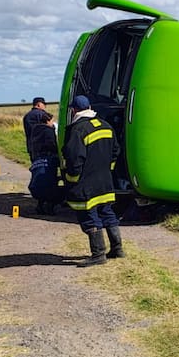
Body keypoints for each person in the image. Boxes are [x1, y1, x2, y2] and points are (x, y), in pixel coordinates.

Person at [62, 94, 124, 265]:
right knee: (107, 212)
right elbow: (115, 151)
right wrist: (107, 170)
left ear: (74, 110)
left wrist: (71, 179)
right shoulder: (105, 125)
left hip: (86, 184)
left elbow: (74, 158)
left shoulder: (78, 129)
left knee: (89, 216)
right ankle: (117, 249)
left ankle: (98, 255)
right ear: (89, 107)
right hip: (105, 182)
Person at [27, 112, 64, 214]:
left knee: (40, 179)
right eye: (52, 120)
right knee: (51, 181)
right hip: (49, 158)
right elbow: (51, 144)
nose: (53, 123)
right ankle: (50, 207)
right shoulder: (48, 131)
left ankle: (40, 205)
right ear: (48, 121)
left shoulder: (35, 130)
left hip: (37, 158)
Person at [23, 97, 51, 161]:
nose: (45, 106)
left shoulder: (26, 116)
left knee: (35, 166)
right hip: (43, 147)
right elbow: (49, 127)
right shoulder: (42, 114)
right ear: (38, 104)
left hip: (31, 146)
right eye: (44, 104)